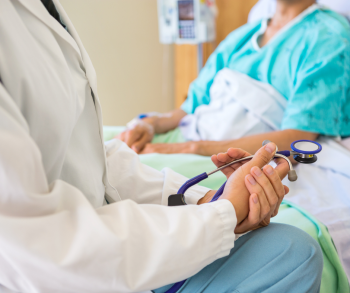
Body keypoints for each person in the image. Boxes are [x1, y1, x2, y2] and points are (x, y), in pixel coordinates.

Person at [0, 1, 322, 292]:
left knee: (294, 249)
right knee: (295, 255)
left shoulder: (328, 35)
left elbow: (86, 155)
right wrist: (221, 213)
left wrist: (210, 199)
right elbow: (43, 245)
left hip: (200, 146)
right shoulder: (243, 35)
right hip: (66, 266)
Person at [118, 0, 350, 157]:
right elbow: (190, 107)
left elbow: (298, 137)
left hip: (220, 154)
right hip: (191, 134)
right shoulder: (241, 37)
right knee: (108, 148)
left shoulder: (330, 38)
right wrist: (151, 124)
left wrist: (191, 149)